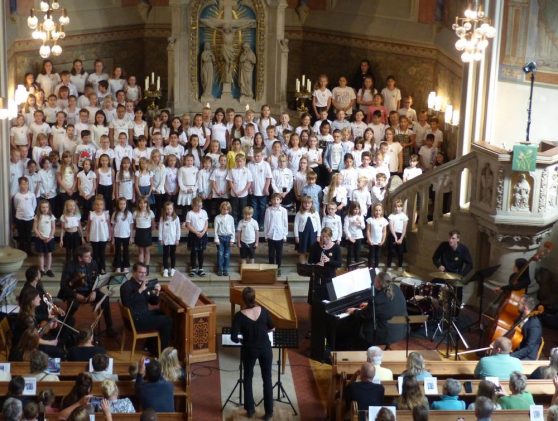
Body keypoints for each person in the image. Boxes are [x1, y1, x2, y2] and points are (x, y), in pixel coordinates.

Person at [231, 287, 274, 420]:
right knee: (267, 379)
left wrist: (242, 339)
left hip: (249, 349)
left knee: (248, 377)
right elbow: (271, 327)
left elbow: (233, 337)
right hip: (265, 348)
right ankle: (269, 412)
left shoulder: (239, 316)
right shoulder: (264, 311)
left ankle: (250, 410)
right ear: (254, 298)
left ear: (243, 300)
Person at [58, 244, 115, 335]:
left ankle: (109, 328)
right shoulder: (70, 266)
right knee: (73, 305)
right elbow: (63, 285)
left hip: (90, 291)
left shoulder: (93, 263)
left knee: (105, 299)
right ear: (80, 258)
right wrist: (76, 295)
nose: (90, 258)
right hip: (75, 292)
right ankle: (65, 329)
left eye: (90, 255)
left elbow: (97, 280)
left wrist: (94, 292)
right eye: (87, 256)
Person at [347, 271, 408, 348]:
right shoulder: (396, 288)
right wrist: (370, 306)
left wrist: (354, 311)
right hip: (401, 329)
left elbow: (365, 315)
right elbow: (387, 306)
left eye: (375, 280)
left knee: (359, 324)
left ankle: (360, 348)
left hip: (387, 333)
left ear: (378, 283)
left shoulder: (377, 300)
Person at [120, 262, 172, 351]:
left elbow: (153, 302)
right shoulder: (126, 286)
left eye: (145, 273)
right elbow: (127, 303)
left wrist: (157, 292)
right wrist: (140, 290)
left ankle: (149, 346)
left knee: (161, 312)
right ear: (134, 272)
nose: (143, 275)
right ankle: (161, 351)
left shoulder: (143, 284)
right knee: (167, 321)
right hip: (135, 321)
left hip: (142, 315)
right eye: (140, 272)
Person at [307, 227, 342, 301]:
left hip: (329, 277)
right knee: (316, 300)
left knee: (329, 300)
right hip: (317, 277)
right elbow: (310, 261)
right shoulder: (315, 246)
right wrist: (317, 263)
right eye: (322, 236)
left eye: (326, 237)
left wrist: (329, 260)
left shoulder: (336, 247)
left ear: (330, 237)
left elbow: (339, 264)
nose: (324, 239)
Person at [510, 295, 543, 360]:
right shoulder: (520, 316)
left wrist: (510, 356)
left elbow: (528, 348)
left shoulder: (534, 326)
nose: (517, 304)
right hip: (516, 348)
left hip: (526, 356)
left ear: (525, 307)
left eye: (519, 303)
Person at [264, 193, 288, 275]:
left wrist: (284, 235)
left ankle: (278, 268)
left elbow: (285, 223)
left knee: (279, 254)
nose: (275, 201)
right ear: (271, 200)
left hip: (279, 235)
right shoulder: (268, 210)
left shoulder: (283, 211)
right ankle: (271, 268)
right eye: (274, 199)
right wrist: (266, 235)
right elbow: (266, 223)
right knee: (271, 254)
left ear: (280, 200)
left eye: (277, 199)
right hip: (271, 235)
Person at [159, 201, 181, 278]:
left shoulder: (176, 218)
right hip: (165, 239)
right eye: (167, 209)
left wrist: (177, 239)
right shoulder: (162, 218)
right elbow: (160, 229)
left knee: (172, 254)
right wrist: (161, 239)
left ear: (173, 209)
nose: (169, 210)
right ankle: (165, 269)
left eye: (170, 209)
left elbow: (178, 229)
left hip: (173, 239)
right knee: (165, 254)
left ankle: (172, 269)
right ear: (165, 210)